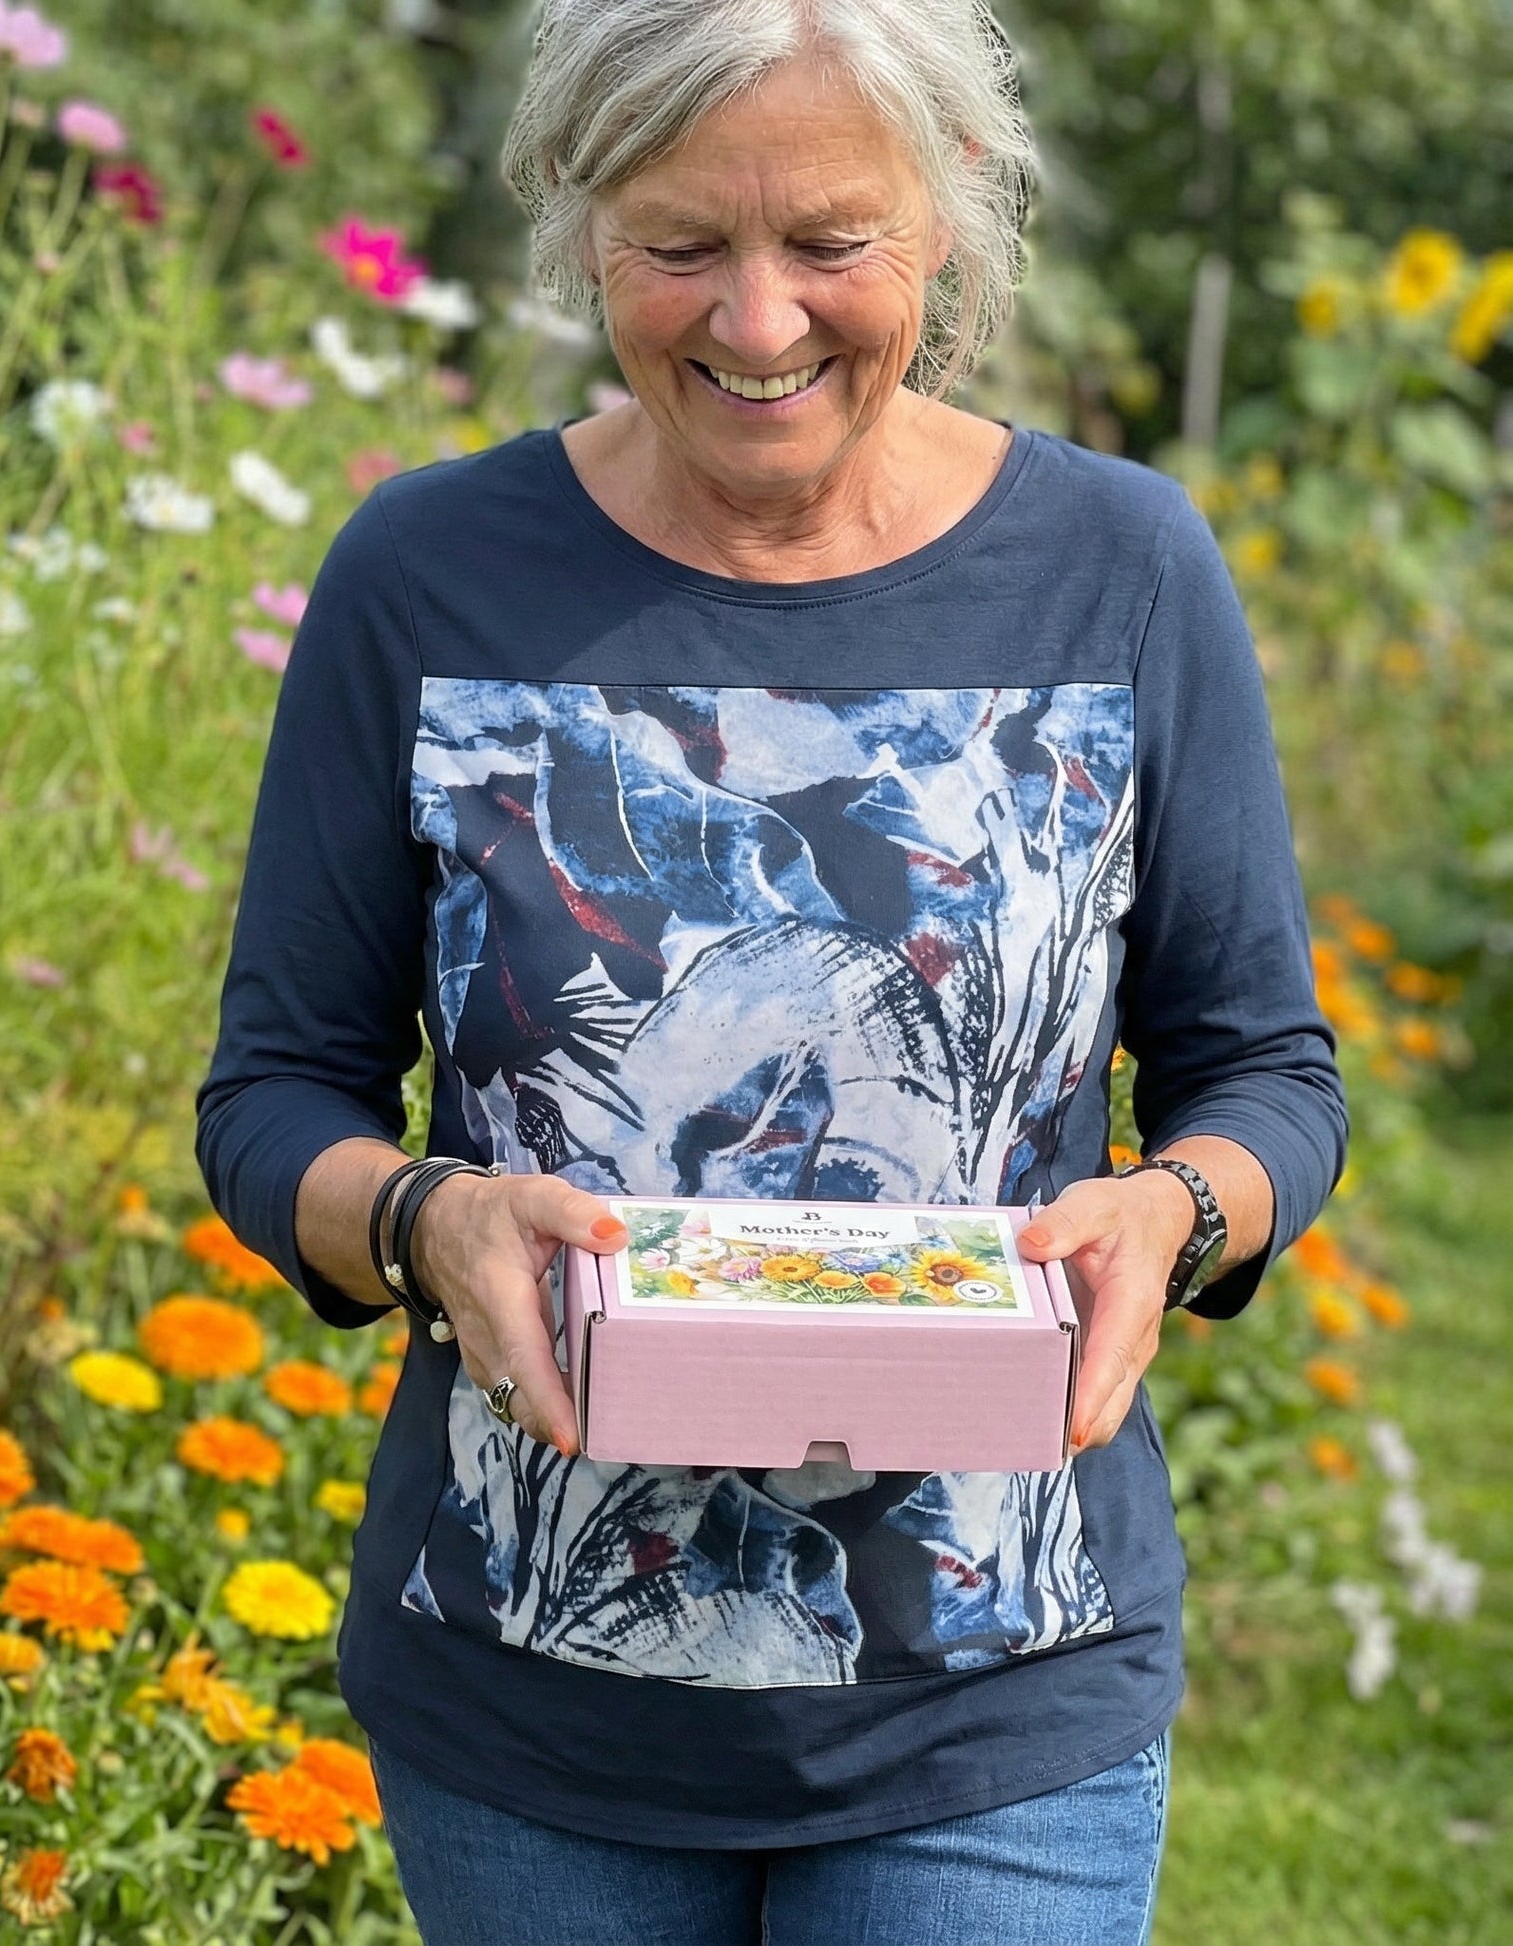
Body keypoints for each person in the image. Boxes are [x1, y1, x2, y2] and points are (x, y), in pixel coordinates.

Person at [196, 2, 1348, 1940]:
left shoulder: (1122, 568)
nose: (754, 322)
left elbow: (1270, 1074)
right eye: (677, 246)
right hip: (530, 1701)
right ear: (577, 225)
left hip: (1000, 1702)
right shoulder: (425, 576)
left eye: (826, 242)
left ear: (949, 215)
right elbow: (273, 1095)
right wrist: (418, 1221)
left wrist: (1168, 1214)